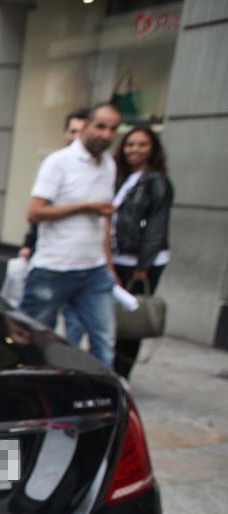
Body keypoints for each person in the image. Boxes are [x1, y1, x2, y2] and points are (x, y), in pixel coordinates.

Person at [19, 103, 122, 367]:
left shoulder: (109, 165)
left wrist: (109, 266)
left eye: (113, 129)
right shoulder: (58, 162)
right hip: (54, 268)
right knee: (33, 338)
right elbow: (35, 212)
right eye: (100, 126)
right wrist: (84, 207)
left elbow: (105, 221)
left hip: (94, 270)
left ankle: (103, 396)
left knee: (104, 340)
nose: (106, 135)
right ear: (85, 126)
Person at [20, 108, 90, 341]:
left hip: (84, 262)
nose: (76, 137)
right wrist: (29, 244)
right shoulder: (56, 163)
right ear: (65, 133)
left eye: (82, 131)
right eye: (72, 131)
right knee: (39, 323)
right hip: (52, 259)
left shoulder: (103, 167)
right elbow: (37, 212)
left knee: (76, 324)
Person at [111, 125, 173, 379]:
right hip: (116, 257)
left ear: (153, 149)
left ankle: (122, 374)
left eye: (142, 144)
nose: (134, 150)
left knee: (131, 322)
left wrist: (143, 266)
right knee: (113, 317)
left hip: (140, 262)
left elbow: (157, 226)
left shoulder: (157, 181)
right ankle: (111, 368)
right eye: (130, 144)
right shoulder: (121, 178)